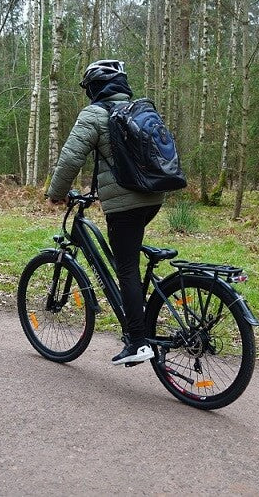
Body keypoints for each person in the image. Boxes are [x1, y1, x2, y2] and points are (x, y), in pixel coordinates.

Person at [46, 59, 163, 365]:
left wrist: (56, 194)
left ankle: (138, 342)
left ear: (95, 89)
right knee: (127, 258)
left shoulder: (95, 114)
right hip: (153, 196)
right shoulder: (139, 110)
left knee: (126, 267)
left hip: (125, 204)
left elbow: (71, 158)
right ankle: (141, 322)